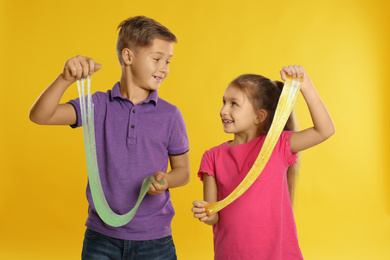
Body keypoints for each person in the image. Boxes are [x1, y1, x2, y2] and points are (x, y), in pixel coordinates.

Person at [29, 16, 190, 260]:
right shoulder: (97, 105)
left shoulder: (170, 114)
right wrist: (65, 79)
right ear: (128, 57)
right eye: (157, 59)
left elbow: (183, 171)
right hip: (101, 238)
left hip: (155, 240)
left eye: (168, 61)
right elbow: (41, 115)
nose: (164, 68)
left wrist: (166, 180)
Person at [192, 65, 335, 260]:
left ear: (259, 116)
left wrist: (306, 87)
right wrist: (206, 213)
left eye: (234, 104)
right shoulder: (212, 157)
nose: (222, 110)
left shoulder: (278, 145)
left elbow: (324, 130)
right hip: (231, 255)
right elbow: (213, 215)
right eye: (224, 102)